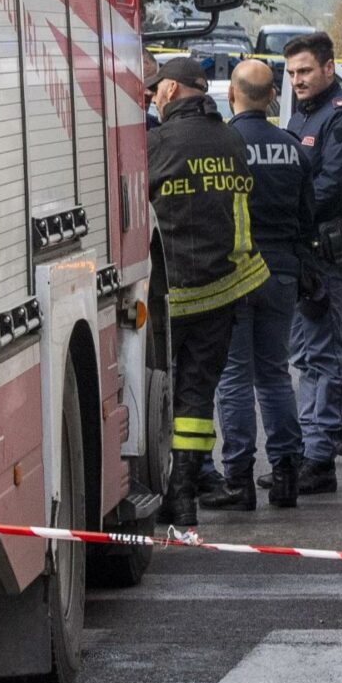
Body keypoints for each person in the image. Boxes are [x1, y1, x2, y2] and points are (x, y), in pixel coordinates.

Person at [146, 54, 270, 527]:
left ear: (173, 92)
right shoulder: (231, 139)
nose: (155, 96)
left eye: (158, 89)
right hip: (224, 290)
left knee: (159, 391)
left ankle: (160, 486)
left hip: (170, 295)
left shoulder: (155, 143)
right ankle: (184, 498)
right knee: (197, 398)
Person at [203, 60, 314, 511]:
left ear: (232, 96)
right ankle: (287, 473)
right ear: (272, 98)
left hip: (234, 274)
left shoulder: (224, 147)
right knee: (274, 374)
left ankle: (239, 480)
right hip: (282, 272)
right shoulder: (293, 149)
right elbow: (309, 217)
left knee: (233, 376)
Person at [282, 32, 342, 495]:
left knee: (322, 352)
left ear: (328, 69)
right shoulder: (303, 115)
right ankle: (309, 449)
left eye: (305, 71)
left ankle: (320, 456)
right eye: (292, 73)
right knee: (304, 354)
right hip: (301, 249)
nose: (297, 80)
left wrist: (284, 214)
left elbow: (330, 187)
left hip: (322, 249)